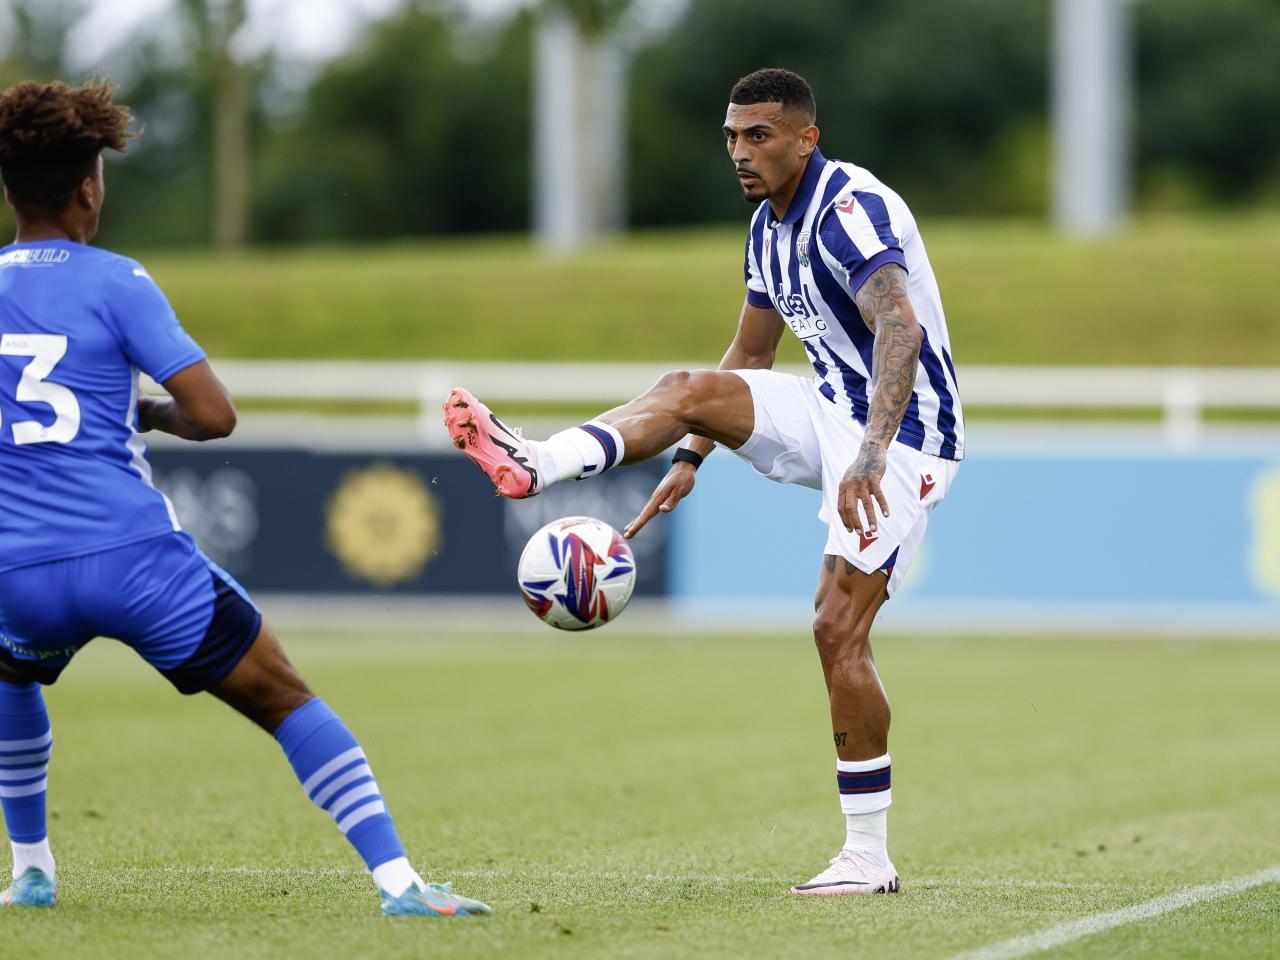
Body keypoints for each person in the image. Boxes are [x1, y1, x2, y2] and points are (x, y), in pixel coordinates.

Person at [446, 67, 963, 895]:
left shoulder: (847, 213)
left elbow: (898, 329)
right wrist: (690, 457)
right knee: (690, 387)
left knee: (836, 629)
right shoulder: (766, 228)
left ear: (806, 137)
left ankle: (867, 856)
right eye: (730, 135)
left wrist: (870, 452)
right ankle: (539, 463)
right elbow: (752, 358)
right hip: (830, 408)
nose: (739, 151)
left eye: (758, 135)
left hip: (904, 437)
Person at [0, 79, 488, 918]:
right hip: (130, 560)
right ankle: (401, 885)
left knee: (11, 676)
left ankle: (32, 869)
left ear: (11, 191)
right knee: (284, 696)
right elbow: (214, 416)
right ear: (89, 187)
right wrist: (142, 411)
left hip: (15, 568)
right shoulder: (118, 280)